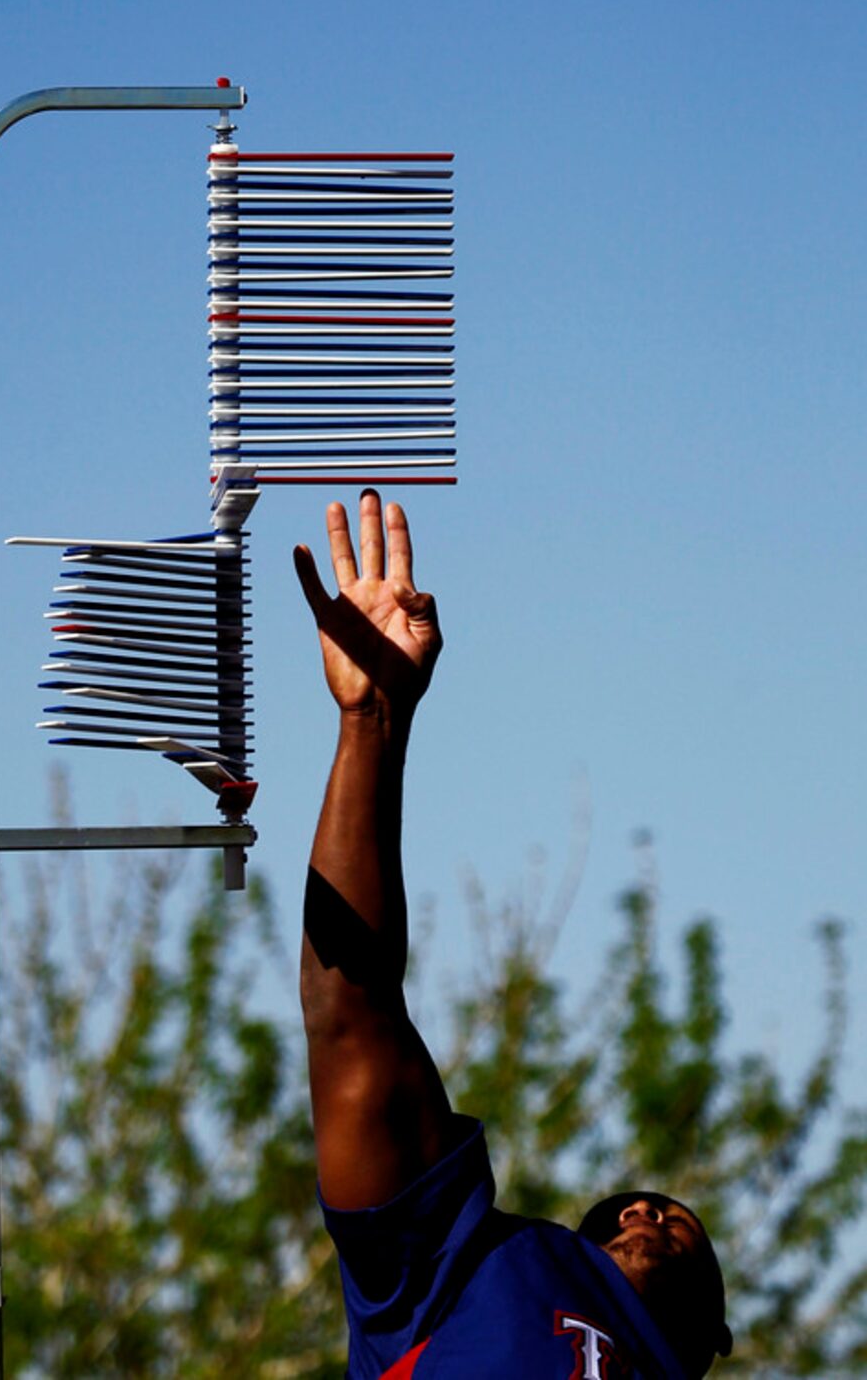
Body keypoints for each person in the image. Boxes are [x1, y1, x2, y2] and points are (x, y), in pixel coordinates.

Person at [295, 491, 733, 1380]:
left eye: (671, 1220)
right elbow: (350, 1010)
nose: (642, 1214)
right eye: (624, 1212)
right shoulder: (472, 1264)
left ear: (715, 1337)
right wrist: (370, 725)